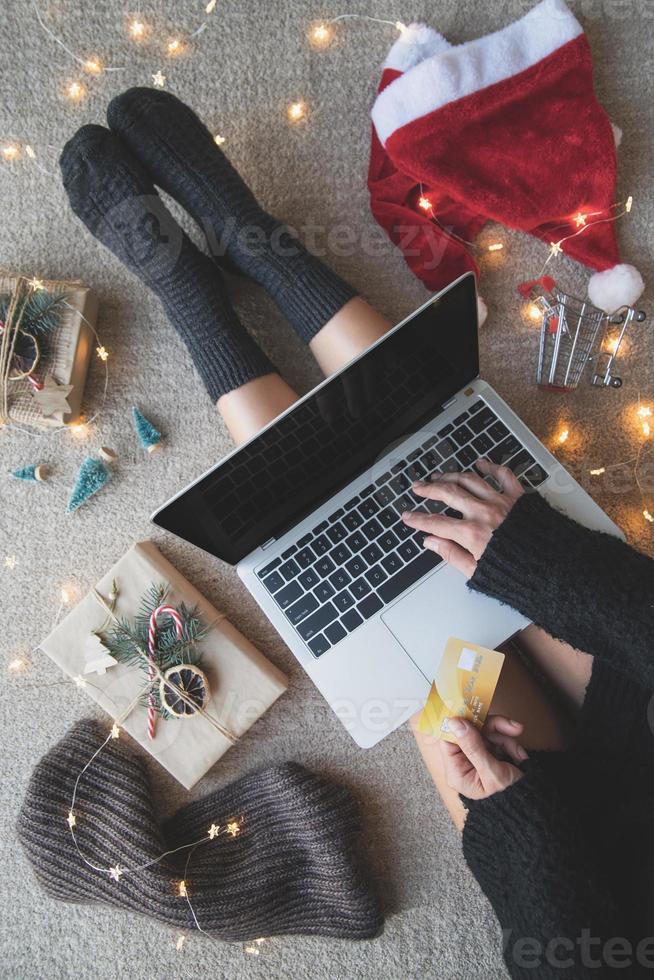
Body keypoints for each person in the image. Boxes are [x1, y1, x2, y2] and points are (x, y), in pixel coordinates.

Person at [61, 89, 654, 979]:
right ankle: (250, 238)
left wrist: (516, 817)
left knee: (384, 572)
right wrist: (542, 560)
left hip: (584, 850)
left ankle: (194, 298)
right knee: (466, 478)